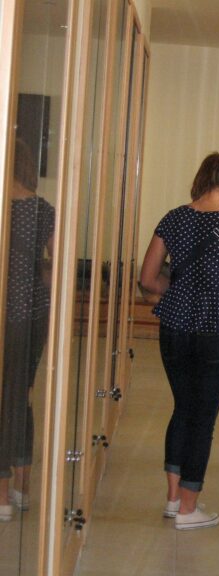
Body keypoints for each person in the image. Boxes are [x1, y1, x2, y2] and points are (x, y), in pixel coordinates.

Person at [140, 152, 219, 530]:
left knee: (182, 408)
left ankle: (173, 499)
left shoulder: (173, 219)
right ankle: (189, 509)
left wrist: (177, 292)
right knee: (204, 419)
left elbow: (147, 278)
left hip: (174, 326)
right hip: (216, 331)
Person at [0, 140, 55, 522]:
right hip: (33, 314)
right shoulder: (43, 209)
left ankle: (1, 493)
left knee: (4, 400)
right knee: (22, 395)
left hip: (5, 314)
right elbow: (57, 265)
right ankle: (22, 484)